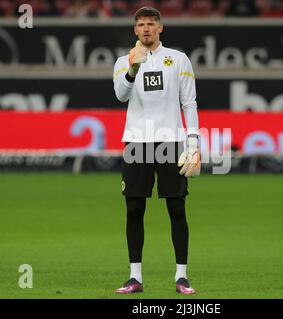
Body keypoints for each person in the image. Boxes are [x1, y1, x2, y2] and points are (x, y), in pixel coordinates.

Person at [112, 6, 201, 295]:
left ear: (161, 28)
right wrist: (133, 68)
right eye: (141, 24)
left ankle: (182, 277)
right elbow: (120, 95)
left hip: (170, 142)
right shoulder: (123, 61)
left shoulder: (178, 59)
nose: (146, 28)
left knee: (176, 207)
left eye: (151, 23)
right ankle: (134, 277)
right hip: (137, 141)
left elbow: (189, 103)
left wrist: (193, 142)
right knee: (134, 208)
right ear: (135, 30)